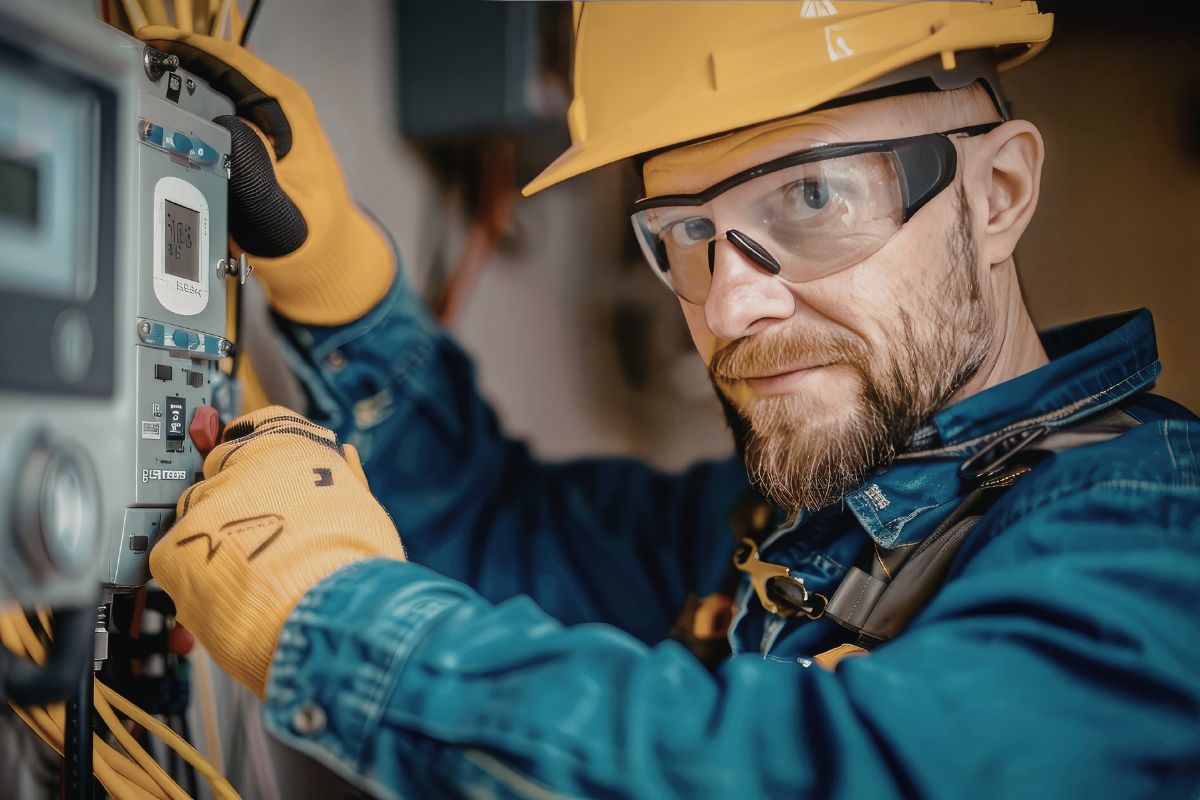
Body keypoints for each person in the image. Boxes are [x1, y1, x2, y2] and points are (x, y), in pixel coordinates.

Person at [135, 2, 1200, 797]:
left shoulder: (1153, 535)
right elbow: (500, 527)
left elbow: (860, 773)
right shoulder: (789, 525)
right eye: (687, 233)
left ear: (1000, 194)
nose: (730, 301)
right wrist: (342, 284)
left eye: (812, 195)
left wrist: (332, 623)